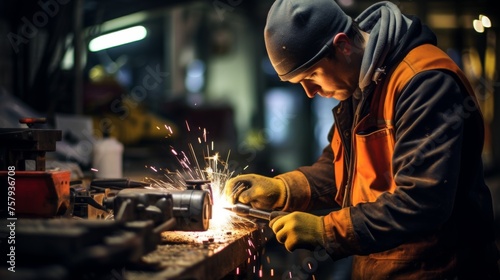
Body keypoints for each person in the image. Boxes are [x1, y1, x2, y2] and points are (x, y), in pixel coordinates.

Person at [224, 0, 500, 278]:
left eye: (313, 76)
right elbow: (342, 169)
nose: (309, 92)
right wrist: (283, 189)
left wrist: (326, 231)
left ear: (343, 45)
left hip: (439, 270)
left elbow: (421, 202)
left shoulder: (424, 83)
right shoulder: (359, 86)